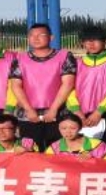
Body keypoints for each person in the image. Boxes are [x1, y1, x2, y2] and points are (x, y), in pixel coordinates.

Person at [10, 23, 77, 153]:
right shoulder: (19, 58)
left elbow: (68, 83)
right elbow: (16, 86)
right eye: (32, 35)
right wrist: (28, 109)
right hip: (28, 116)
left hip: (58, 114)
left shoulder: (64, 56)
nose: (36, 38)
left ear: (51, 37)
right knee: (30, 151)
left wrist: (54, 109)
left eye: (41, 35)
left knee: (58, 151)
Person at [68, 25, 106, 153]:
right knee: (77, 154)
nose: (91, 43)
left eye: (95, 39)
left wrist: (99, 112)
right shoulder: (76, 64)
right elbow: (68, 88)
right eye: (87, 40)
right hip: (78, 115)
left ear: (105, 41)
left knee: (103, 153)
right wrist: (77, 111)